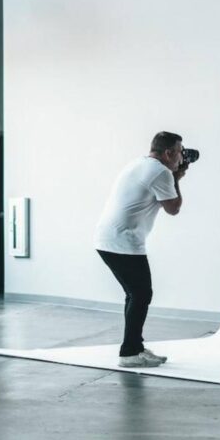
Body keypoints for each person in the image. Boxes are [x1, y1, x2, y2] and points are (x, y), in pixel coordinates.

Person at [94, 131, 189, 368]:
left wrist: (174, 174)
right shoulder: (161, 172)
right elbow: (173, 208)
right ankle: (129, 353)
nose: (181, 157)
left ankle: (134, 347)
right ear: (168, 153)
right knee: (141, 294)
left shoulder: (140, 163)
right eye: (179, 152)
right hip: (122, 241)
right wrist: (177, 177)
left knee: (136, 294)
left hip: (109, 238)